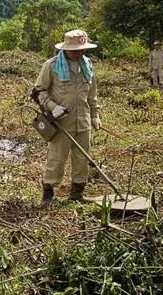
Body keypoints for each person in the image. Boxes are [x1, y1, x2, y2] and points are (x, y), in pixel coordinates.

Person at [33, 30, 101, 207]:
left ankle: (77, 194)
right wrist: (53, 107)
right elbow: (39, 91)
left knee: (82, 159)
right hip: (61, 122)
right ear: (65, 49)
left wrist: (95, 115)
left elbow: (91, 95)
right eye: (75, 50)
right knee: (56, 159)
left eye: (82, 50)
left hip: (83, 121)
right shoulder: (51, 66)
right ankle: (48, 196)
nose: (79, 53)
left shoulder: (87, 65)